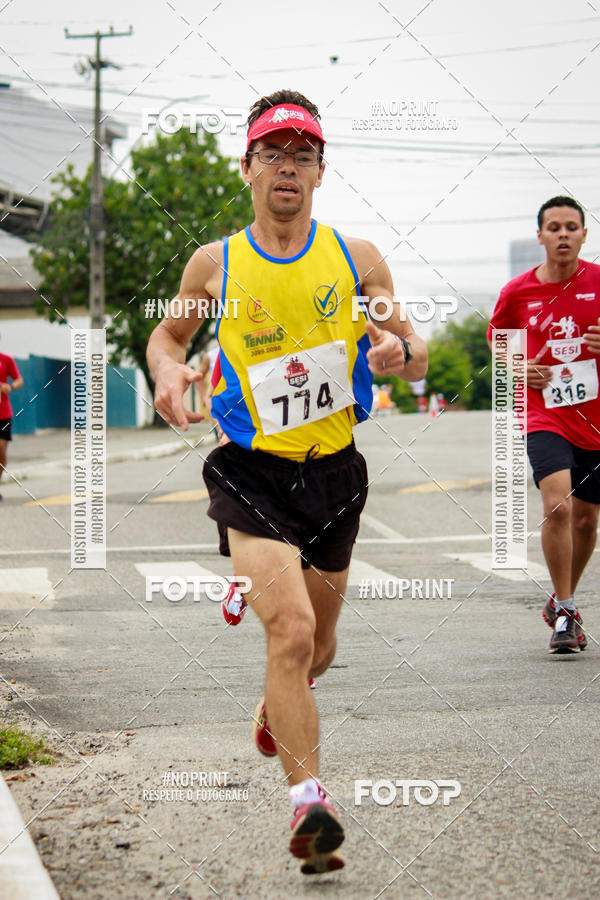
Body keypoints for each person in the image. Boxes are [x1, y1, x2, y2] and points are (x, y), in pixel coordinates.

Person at [147, 89, 427, 874]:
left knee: (320, 650)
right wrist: (169, 371)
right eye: (273, 153)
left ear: (321, 171)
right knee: (293, 631)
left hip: (335, 473)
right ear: (248, 168)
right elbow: (168, 335)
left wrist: (399, 354)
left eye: (303, 155)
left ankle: (280, 704)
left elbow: (414, 345)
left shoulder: (358, 257)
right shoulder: (217, 263)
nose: (288, 167)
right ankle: (312, 810)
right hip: (251, 474)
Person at [488, 196, 600, 652]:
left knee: (587, 519)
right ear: (540, 235)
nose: (562, 235)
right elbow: (497, 339)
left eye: (571, 227)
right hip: (544, 412)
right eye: (553, 227)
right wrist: (517, 367)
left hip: (594, 416)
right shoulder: (518, 292)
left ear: (583, 235)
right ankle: (568, 612)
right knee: (559, 507)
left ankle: (560, 597)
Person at [0, 340, 24, 502]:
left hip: (3, 414)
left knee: (1, 451)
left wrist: (10, 387)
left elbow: (19, 380)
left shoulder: (6, 359)